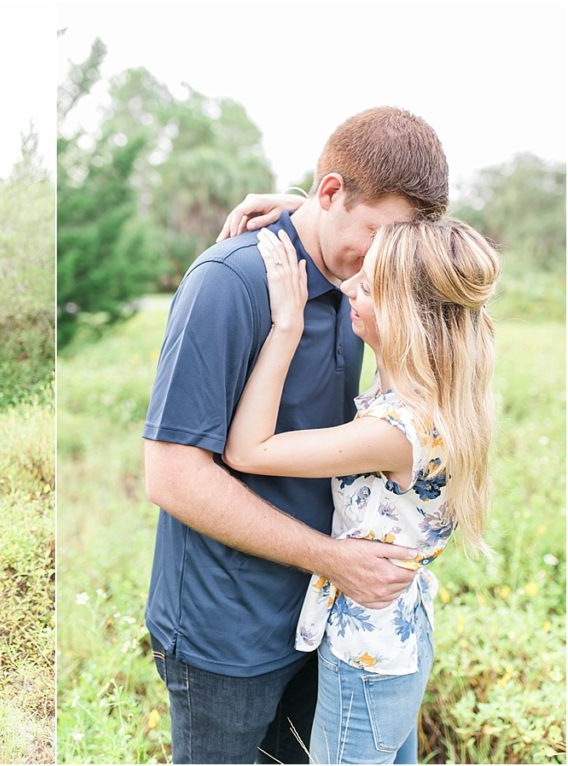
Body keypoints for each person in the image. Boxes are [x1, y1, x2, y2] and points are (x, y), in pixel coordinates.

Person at [143, 106, 450, 764]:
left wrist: (302, 208)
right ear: (334, 192)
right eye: (378, 235)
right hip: (229, 633)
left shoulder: (363, 285)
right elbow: (171, 475)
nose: (386, 263)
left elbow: (456, 272)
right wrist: (332, 560)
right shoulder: (231, 284)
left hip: (323, 627)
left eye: (399, 245)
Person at [223, 220, 497, 763]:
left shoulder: (396, 431)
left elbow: (246, 451)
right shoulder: (431, 388)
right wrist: (301, 209)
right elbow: (423, 255)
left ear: (406, 318)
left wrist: (286, 328)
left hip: (366, 657)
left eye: (368, 288)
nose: (348, 287)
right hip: (394, 641)